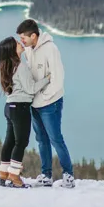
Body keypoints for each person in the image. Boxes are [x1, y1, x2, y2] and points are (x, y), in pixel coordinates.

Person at [16, 19, 75, 188]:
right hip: (34, 104)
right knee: (41, 139)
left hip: (50, 104)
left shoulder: (51, 49)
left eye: (24, 38)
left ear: (33, 36)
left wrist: (44, 97)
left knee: (56, 139)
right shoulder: (29, 49)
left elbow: (58, 78)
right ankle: (46, 175)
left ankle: (68, 175)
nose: (22, 41)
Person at [0, 37, 50, 188]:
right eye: (17, 43)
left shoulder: (6, 66)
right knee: (21, 142)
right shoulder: (20, 66)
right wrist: (48, 78)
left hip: (9, 107)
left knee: (10, 142)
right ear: (12, 49)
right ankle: (14, 176)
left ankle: (3, 174)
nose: (20, 44)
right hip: (20, 108)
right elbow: (31, 89)